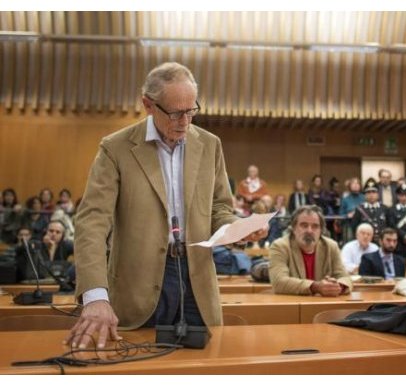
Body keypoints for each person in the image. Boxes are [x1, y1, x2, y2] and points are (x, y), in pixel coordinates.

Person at [66, 62, 265, 350]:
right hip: (138, 284)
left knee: (205, 369)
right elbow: (92, 222)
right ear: (148, 104)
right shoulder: (115, 148)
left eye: (191, 110)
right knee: (136, 364)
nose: (185, 121)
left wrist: (237, 229)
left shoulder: (210, 145)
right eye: (175, 113)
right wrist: (95, 296)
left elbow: (219, 209)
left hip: (197, 281)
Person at [268, 205, 352, 296]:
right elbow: (279, 282)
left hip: (323, 306)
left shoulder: (331, 246)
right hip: (291, 306)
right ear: (293, 228)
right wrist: (316, 287)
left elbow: (345, 278)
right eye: (304, 225)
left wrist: (336, 287)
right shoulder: (280, 246)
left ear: (321, 230)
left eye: (315, 226)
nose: (309, 230)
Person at [351, 178, 387, 243]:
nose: (371, 195)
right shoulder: (360, 209)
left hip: (381, 242)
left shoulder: (384, 208)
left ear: (378, 194)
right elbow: (355, 227)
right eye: (368, 192)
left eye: (374, 192)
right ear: (364, 195)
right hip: (365, 242)